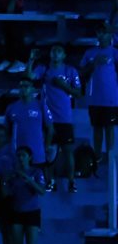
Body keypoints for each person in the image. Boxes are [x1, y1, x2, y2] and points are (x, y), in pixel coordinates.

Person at [28, 44, 82, 191]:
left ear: (64, 55)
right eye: (53, 51)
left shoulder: (71, 71)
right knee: (48, 152)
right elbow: (29, 77)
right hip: (47, 118)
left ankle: (71, 181)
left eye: (59, 51)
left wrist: (64, 85)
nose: (55, 53)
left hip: (64, 118)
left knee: (67, 150)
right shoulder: (44, 69)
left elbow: (78, 93)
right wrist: (31, 60)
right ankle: (50, 181)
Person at [9, 146, 47, 244]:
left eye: (23, 155)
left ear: (29, 157)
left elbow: (42, 191)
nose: (20, 158)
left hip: (32, 212)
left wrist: (28, 179)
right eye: (18, 155)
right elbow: (8, 192)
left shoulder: (36, 172)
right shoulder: (13, 174)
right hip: (17, 212)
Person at [80, 27, 118, 158]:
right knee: (97, 128)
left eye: (104, 32)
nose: (101, 35)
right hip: (94, 98)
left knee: (109, 128)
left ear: (109, 35)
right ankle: (97, 157)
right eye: (99, 32)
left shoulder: (114, 52)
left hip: (111, 98)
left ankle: (110, 157)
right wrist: (94, 63)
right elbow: (81, 72)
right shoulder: (89, 52)